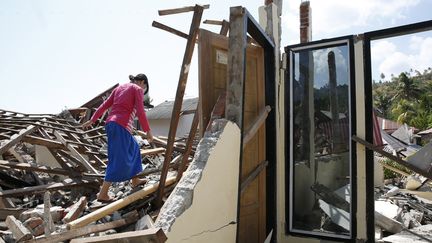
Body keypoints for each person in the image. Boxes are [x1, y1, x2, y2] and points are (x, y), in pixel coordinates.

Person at [82, 73, 153, 202]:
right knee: (116, 159)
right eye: (144, 87)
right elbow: (141, 110)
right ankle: (103, 194)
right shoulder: (137, 89)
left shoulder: (119, 88)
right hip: (121, 125)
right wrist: (148, 131)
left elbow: (104, 106)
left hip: (111, 124)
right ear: (142, 82)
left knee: (135, 147)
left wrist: (93, 120)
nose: (143, 90)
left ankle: (135, 179)